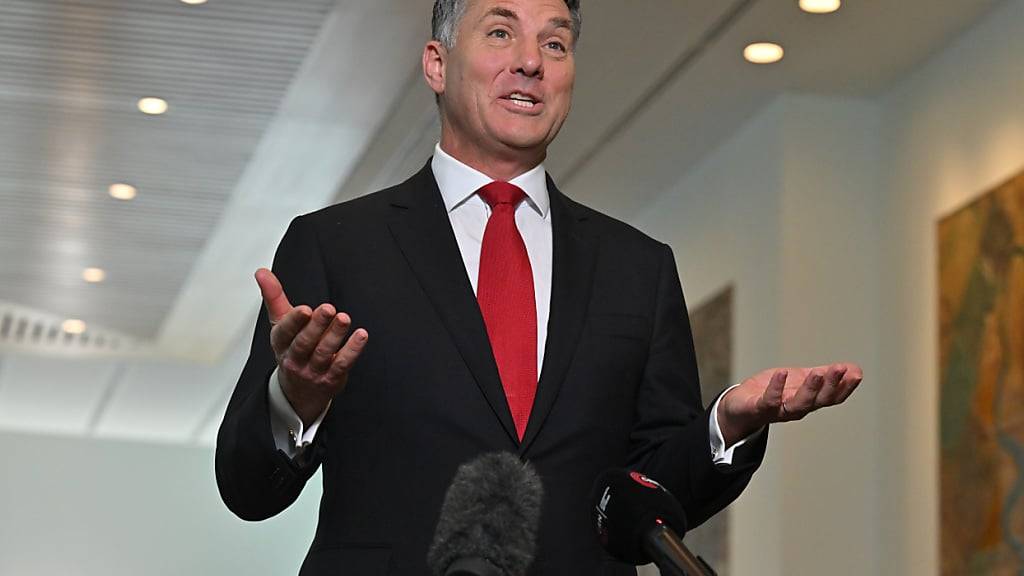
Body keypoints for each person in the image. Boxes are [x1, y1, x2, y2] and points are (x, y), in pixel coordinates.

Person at [215, 0, 863, 574]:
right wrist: (294, 401)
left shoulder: (638, 268)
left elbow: (647, 492)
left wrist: (725, 423)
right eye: (500, 33)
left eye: (555, 43)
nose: (531, 62)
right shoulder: (337, 245)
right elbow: (248, 489)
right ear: (437, 64)